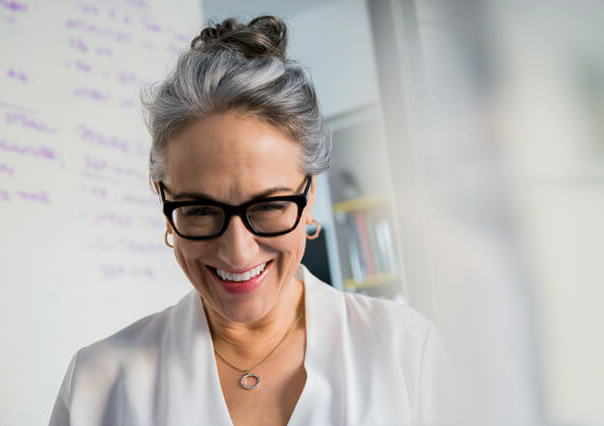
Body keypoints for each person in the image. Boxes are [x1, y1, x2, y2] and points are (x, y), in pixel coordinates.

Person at [49, 16, 448, 426]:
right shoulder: (97, 387)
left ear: (308, 197)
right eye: (201, 211)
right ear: (165, 203)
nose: (237, 251)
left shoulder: (406, 353)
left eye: (268, 206)